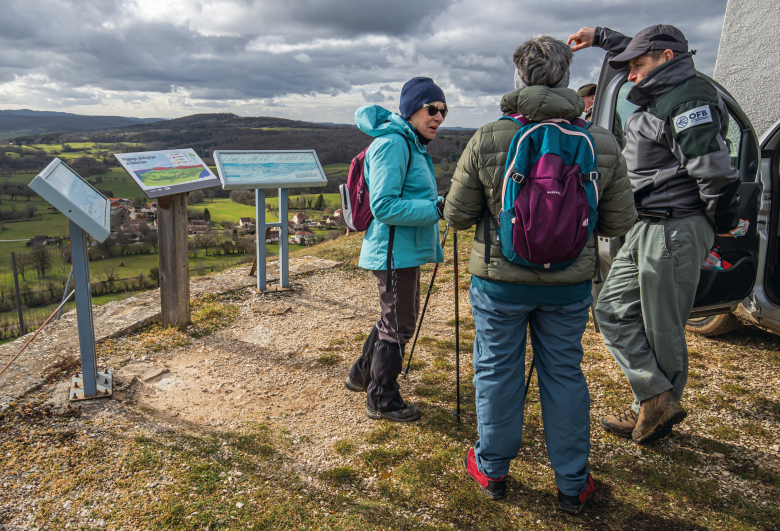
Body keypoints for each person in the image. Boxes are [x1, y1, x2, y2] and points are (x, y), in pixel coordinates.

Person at [443, 35, 635, 512]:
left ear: (519, 76)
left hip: (499, 283)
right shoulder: (600, 141)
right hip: (569, 285)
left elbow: (459, 215)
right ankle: (573, 483)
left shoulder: (490, 136)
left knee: (496, 371)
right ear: (567, 79)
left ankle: (492, 469)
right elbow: (618, 222)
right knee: (564, 374)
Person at [568, 25, 741, 443]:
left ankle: (653, 410)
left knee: (661, 327)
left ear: (667, 58)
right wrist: (604, 38)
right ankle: (655, 396)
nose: (630, 76)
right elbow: (642, 48)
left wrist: (723, 223)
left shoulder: (688, 99)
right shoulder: (666, 87)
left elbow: (715, 174)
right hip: (647, 224)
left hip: (673, 226)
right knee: (610, 310)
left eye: (637, 67)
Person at [344, 77, 446, 422]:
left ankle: (361, 374)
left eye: (444, 112)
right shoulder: (394, 145)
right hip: (393, 250)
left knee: (395, 318)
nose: (439, 117)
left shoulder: (409, 143)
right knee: (399, 324)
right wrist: (437, 209)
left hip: (401, 249)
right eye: (432, 109)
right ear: (413, 110)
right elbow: (385, 205)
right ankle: (382, 399)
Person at [578, 83, 625, 149]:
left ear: (592, 98)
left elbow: (616, 138)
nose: (579, 104)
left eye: (581, 100)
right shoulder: (600, 111)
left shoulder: (604, 112)